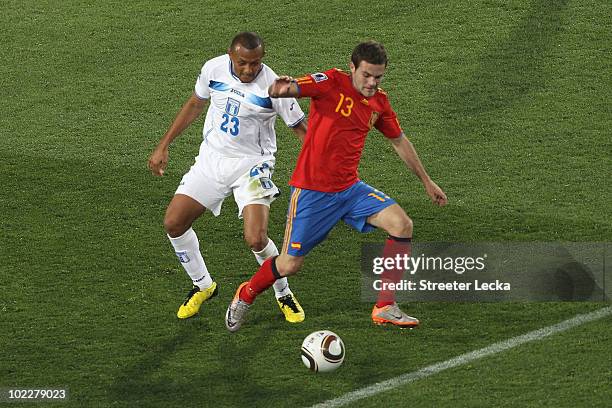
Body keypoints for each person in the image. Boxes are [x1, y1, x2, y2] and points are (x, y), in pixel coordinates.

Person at [225, 40, 448, 332]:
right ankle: (246, 293)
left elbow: (398, 140)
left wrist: (426, 180)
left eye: (378, 77)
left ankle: (385, 305)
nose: (372, 83)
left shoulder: (379, 102)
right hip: (311, 192)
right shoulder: (331, 81)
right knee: (289, 265)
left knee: (402, 225)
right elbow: (295, 87)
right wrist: (281, 88)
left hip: (350, 190)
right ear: (352, 66)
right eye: (366, 75)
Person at [148, 32, 307, 323]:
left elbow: (301, 129)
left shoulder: (273, 86)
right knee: (173, 222)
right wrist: (164, 145)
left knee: (256, 238)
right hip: (211, 160)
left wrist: (321, 167)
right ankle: (203, 285)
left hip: (252, 165)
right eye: (243, 63)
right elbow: (195, 104)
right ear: (230, 56)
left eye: (256, 63)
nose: (249, 69)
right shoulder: (214, 69)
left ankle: (282, 292)